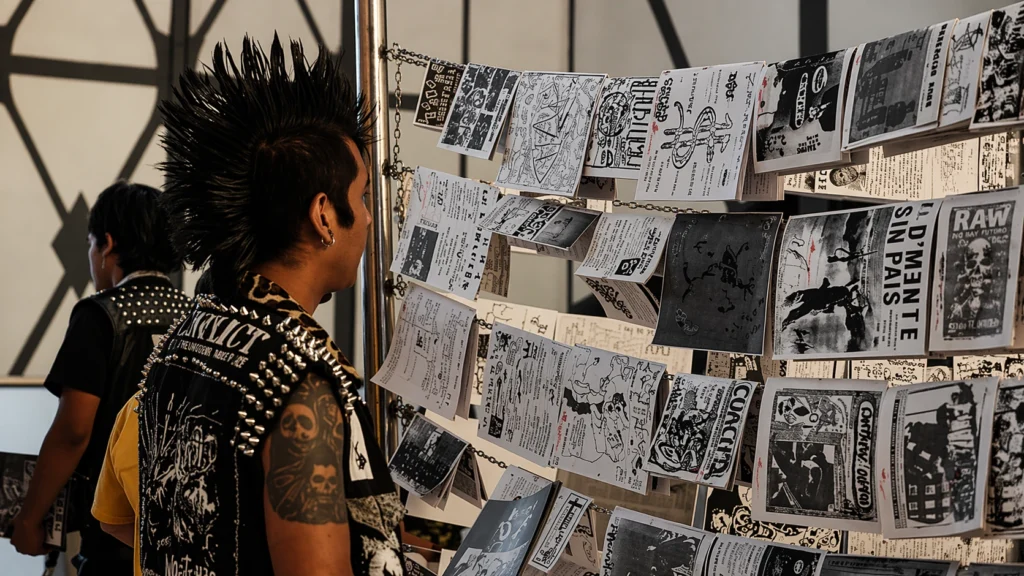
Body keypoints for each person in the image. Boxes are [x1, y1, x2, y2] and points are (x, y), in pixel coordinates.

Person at [126, 34, 404, 576]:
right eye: (364, 197)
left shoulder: (191, 333)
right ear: (324, 216)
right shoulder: (299, 383)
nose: (370, 220)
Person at [11, 181, 186, 575]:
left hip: (113, 530)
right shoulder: (195, 315)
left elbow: (74, 430)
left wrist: (28, 517)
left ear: (107, 244)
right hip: (180, 530)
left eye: (91, 245)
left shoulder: (99, 314)